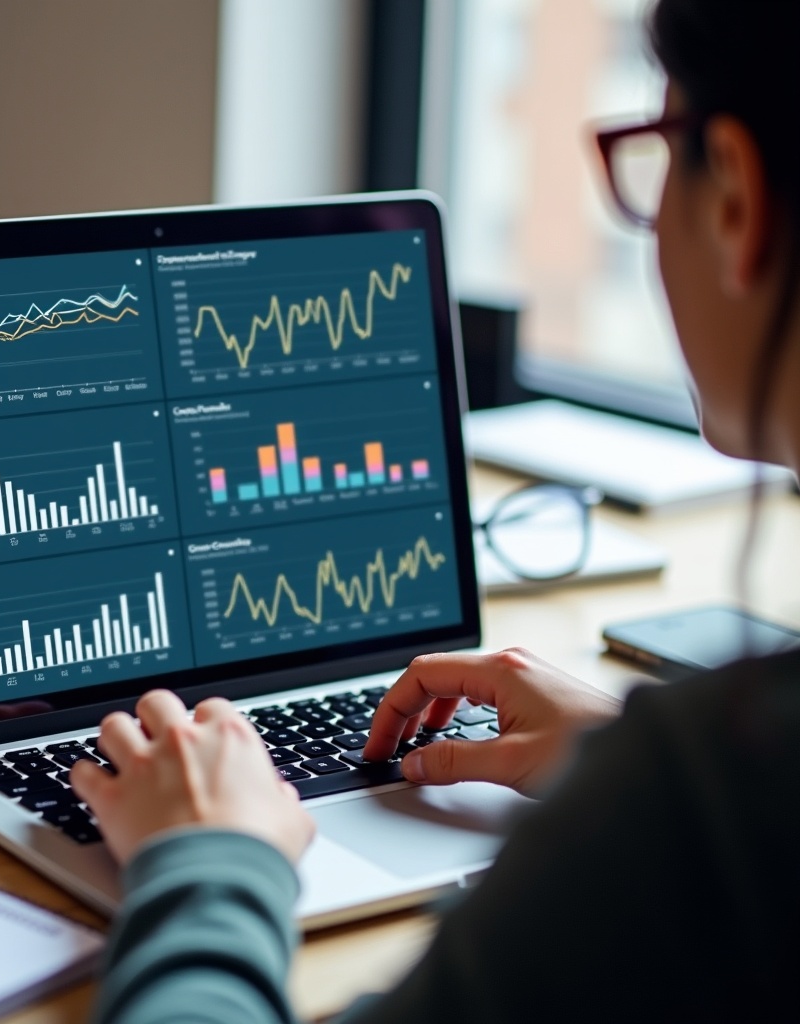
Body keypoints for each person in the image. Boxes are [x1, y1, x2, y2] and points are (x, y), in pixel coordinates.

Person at [71, 1, 800, 1019]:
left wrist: (208, 862)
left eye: (655, 154)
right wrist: (615, 757)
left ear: (734, 199)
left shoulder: (721, 795)